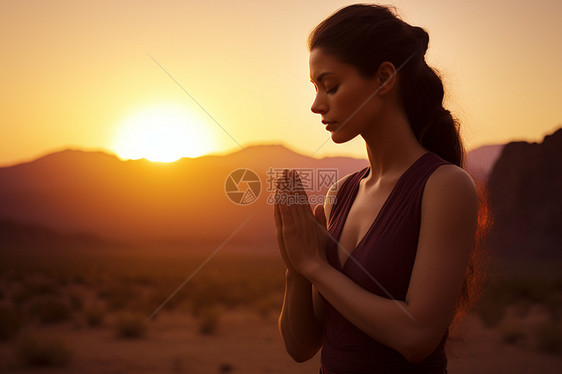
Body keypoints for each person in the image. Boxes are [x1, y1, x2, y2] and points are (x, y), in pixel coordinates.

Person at [273, 4, 483, 374]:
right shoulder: (338, 195)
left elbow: (417, 337)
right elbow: (301, 347)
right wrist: (296, 266)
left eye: (330, 85)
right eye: (315, 88)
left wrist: (315, 266)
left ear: (385, 78)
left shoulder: (444, 186)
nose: (316, 104)